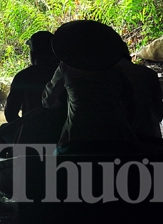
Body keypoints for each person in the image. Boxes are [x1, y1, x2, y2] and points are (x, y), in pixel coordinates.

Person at [42, 20, 139, 154]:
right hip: (115, 137)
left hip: (76, 137)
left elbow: (48, 100)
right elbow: (130, 102)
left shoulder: (66, 68)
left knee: (52, 163)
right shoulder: (115, 69)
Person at [114, 42, 163, 143]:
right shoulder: (149, 74)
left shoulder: (105, 76)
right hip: (149, 139)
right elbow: (159, 113)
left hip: (117, 141)